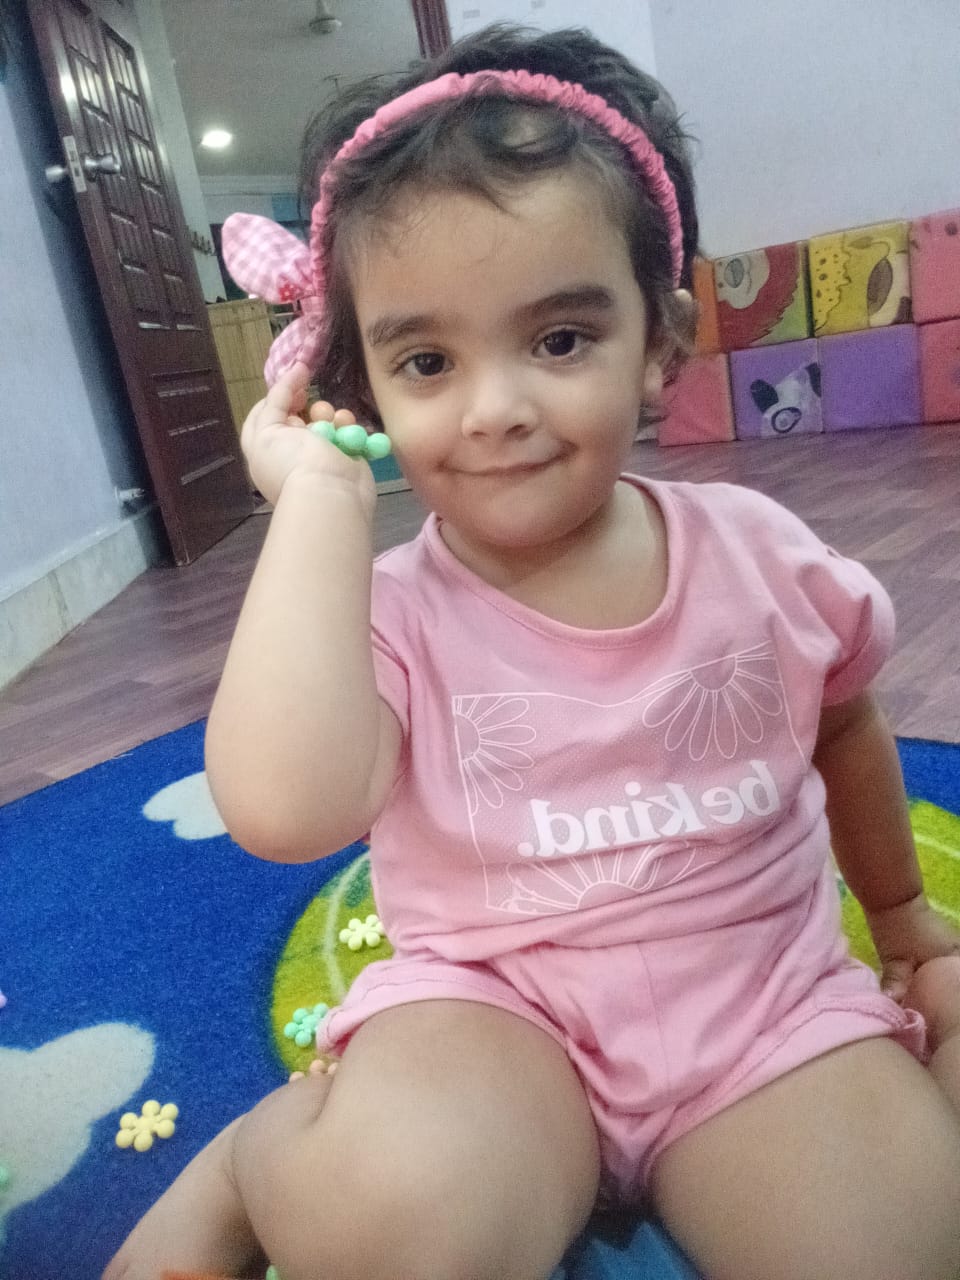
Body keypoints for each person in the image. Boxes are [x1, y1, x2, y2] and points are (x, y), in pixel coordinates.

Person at [105, 23, 960, 1280]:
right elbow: (284, 811)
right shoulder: (382, 609)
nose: (497, 407)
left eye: (559, 339)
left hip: (760, 1010)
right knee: (397, 1223)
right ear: (363, 389)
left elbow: (842, 722)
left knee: (901, 1243)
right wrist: (321, 505)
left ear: (658, 338)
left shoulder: (767, 557)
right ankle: (249, 1160)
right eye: (427, 361)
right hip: (492, 1017)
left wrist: (904, 920)